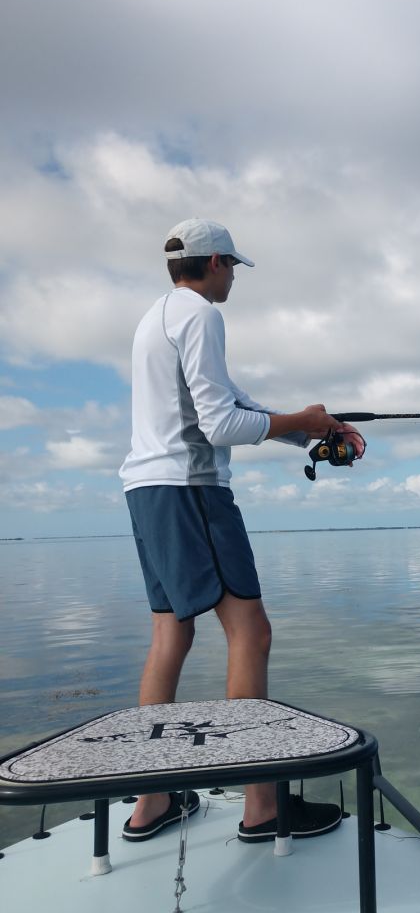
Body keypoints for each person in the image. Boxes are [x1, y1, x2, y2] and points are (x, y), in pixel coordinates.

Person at [119, 217, 364, 843]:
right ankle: (261, 807)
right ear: (216, 263)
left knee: (170, 635)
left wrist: (312, 427)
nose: (233, 278)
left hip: (147, 491)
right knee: (251, 632)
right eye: (232, 266)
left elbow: (233, 402)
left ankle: (151, 801)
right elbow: (220, 425)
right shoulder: (202, 316)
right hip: (193, 492)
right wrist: (303, 421)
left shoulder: (155, 318)